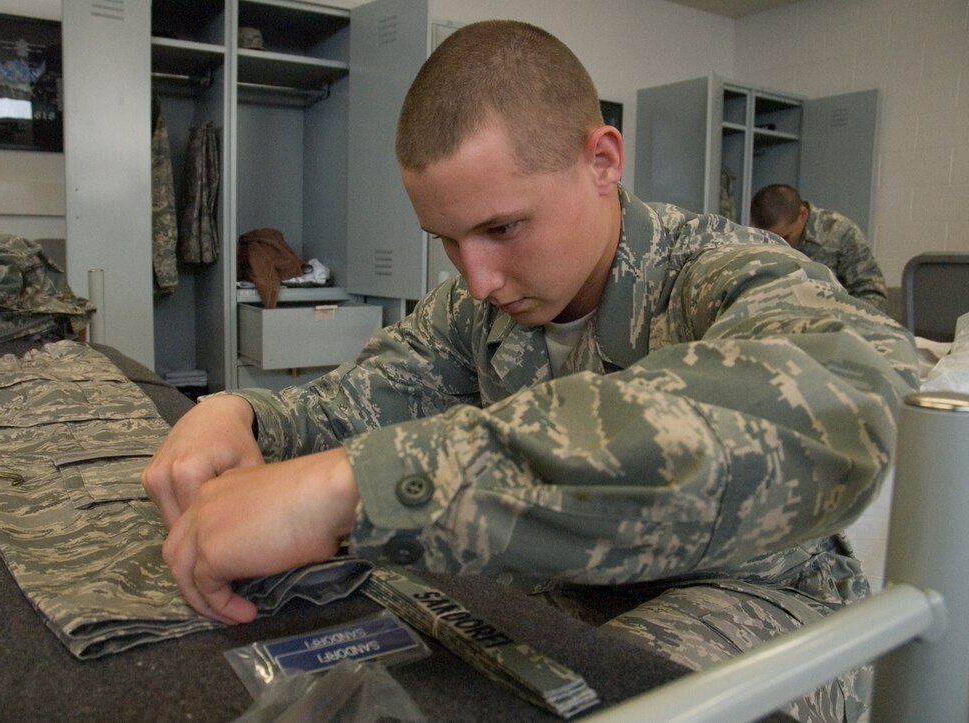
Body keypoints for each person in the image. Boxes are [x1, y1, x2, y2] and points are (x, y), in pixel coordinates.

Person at [143, 20, 916, 722]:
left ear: (602, 161)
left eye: (502, 227)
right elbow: (369, 393)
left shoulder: (721, 270)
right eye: (447, 240)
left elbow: (834, 410)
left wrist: (358, 487)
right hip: (551, 596)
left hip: (744, 594)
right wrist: (241, 416)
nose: (477, 278)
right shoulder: (478, 307)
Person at [750, 183, 888, 311]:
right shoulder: (750, 239)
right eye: (768, 239)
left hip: (834, 322)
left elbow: (872, 293)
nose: (777, 245)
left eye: (785, 237)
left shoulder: (839, 232)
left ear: (802, 214)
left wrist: (844, 322)